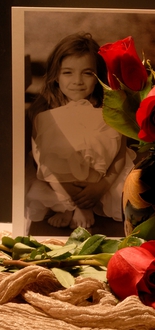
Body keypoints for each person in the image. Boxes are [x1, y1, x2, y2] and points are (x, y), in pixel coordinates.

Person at [26, 32, 135, 229]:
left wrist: (100, 187)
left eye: (87, 73)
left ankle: (89, 203)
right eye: (67, 72)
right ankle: (70, 206)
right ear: (56, 76)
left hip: (104, 180)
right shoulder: (45, 113)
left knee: (126, 189)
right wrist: (75, 201)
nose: (77, 81)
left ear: (98, 77)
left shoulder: (108, 109)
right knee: (52, 163)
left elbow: (119, 154)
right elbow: (43, 161)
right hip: (59, 182)